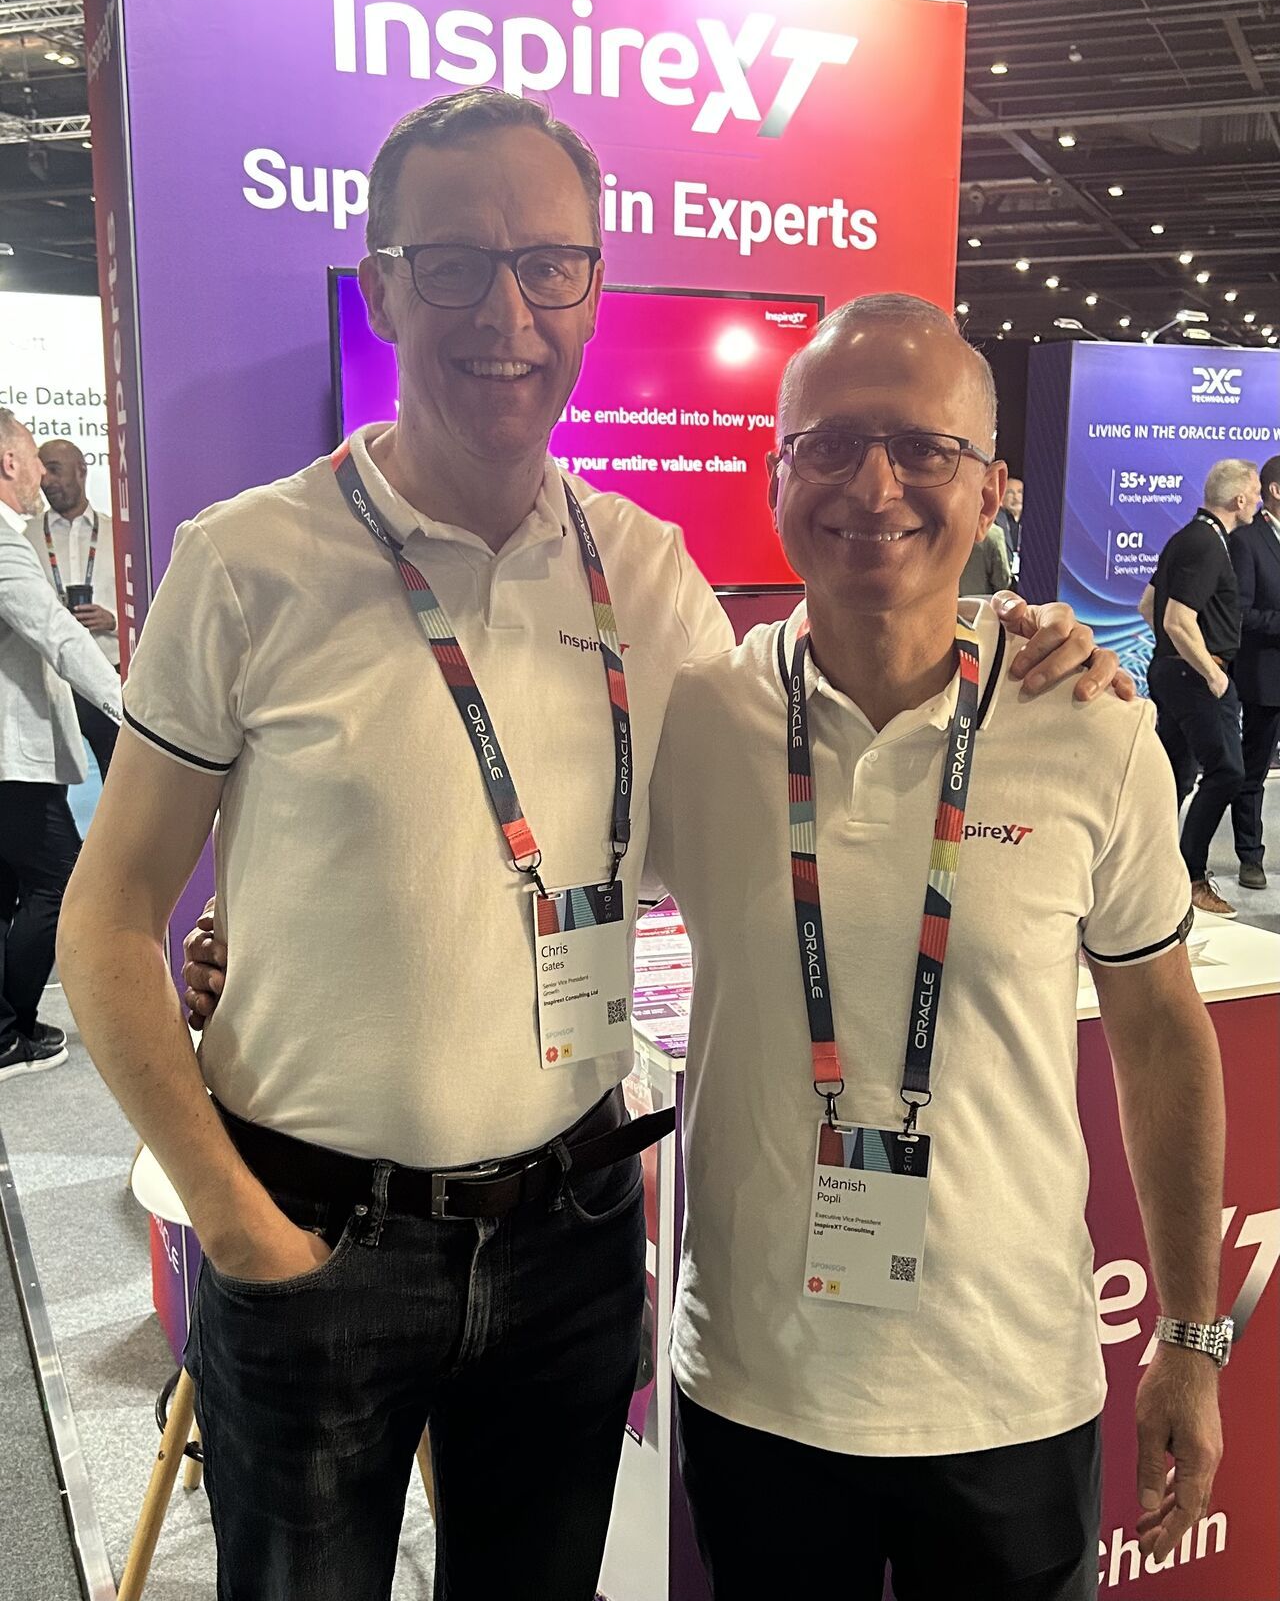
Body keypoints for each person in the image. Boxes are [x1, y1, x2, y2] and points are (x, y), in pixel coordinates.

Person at [63, 91, 1117, 1601]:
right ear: (383, 288)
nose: (506, 313)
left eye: (547, 265)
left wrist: (1009, 643)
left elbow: (811, 739)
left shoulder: (646, 567)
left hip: (567, 1233)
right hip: (315, 1234)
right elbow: (104, 922)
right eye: (454, 263)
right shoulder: (247, 562)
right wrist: (230, 1219)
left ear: (591, 292)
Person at [645, 296, 1228, 1601]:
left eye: (923, 448)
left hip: (1009, 1392)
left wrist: (1190, 1335)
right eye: (831, 444)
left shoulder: (1092, 726)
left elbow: (1159, 1033)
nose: (874, 487)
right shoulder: (699, 717)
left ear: (990, 489)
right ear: (776, 474)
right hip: (758, 1386)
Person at [0, 409, 122, 1084]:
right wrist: (127, 707)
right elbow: (57, 633)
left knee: (9, 889)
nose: (41, 479)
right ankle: (8, 1031)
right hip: (11, 759)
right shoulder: (7, 541)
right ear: (9, 462)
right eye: (33, 461)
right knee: (59, 881)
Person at [1139, 459, 1260, 918]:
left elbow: (1147, 605)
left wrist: (1175, 658)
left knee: (1174, 777)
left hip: (1176, 674)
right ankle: (1189, 877)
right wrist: (1211, 673)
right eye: (1255, 492)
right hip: (1196, 678)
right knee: (1227, 771)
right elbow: (1175, 618)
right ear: (1240, 499)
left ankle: (1152, 874)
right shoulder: (1206, 543)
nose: (1258, 500)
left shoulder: (1188, 538)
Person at [28, 438, 120, 777]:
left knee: (118, 776)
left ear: (82, 470)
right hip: (50, 680)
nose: (47, 481)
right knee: (51, 784)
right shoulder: (26, 537)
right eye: (42, 472)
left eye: (55, 470)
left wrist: (113, 621)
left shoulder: (118, 533)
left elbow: (147, 604)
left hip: (108, 670)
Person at [1228, 452, 1280, 889]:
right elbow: (1240, 614)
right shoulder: (1247, 541)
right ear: (1275, 491)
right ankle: (1250, 856)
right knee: (1254, 771)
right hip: (1266, 677)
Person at [958, 516, 1010, 596]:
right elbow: (1001, 580)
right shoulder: (994, 533)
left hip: (953, 601)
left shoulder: (947, 530)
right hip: (985, 599)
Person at [996, 473, 1023, 573]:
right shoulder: (993, 522)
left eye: (1020, 492)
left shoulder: (1035, 523)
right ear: (1001, 498)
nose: (1016, 497)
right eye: (1010, 492)